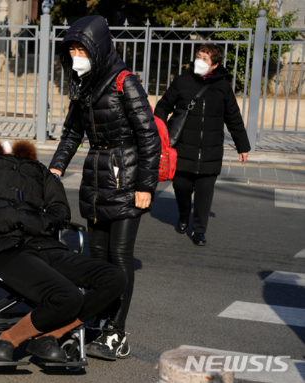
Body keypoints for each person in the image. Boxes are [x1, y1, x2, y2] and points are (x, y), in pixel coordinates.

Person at [0, 141, 127, 363]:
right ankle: (9, 339)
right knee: (68, 296)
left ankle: (50, 336)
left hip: (45, 244)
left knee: (114, 277)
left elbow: (61, 211)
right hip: (3, 248)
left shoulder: (39, 170)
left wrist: (39, 221)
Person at [48, 15, 161, 360]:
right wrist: (55, 168)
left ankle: (117, 330)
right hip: (96, 180)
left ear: (99, 49)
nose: (77, 55)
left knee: (119, 255)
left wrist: (146, 185)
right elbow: (72, 133)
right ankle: (98, 319)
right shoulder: (83, 86)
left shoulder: (124, 82)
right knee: (96, 258)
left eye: (83, 49)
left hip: (127, 180)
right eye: (73, 50)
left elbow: (148, 136)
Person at [154, 43, 250, 246]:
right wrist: (159, 130)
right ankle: (182, 215)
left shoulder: (223, 86)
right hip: (182, 148)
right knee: (181, 186)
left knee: (205, 193)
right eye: (198, 55)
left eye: (205, 58)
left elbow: (233, 117)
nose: (200, 60)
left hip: (210, 151)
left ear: (214, 65)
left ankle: (199, 230)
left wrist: (242, 145)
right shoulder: (182, 81)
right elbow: (163, 106)